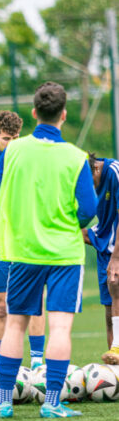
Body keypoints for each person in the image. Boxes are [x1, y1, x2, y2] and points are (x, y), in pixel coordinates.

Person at [0, 82, 97, 419]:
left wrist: (24, 219)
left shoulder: (13, 151)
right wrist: (66, 222)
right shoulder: (76, 157)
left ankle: (4, 402)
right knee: (59, 327)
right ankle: (52, 404)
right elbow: (89, 210)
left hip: (23, 251)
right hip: (65, 255)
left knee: (15, 324)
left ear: (34, 113)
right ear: (64, 115)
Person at [0, 110, 46, 369]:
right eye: (6, 139)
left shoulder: (31, 164)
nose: (11, 144)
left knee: (35, 304)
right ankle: (6, 368)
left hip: (28, 247)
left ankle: (37, 364)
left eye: (15, 139)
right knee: (1, 306)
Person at [83, 153, 119, 363]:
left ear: (96, 169)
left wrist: (116, 259)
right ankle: (115, 369)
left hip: (116, 250)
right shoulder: (85, 181)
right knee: (109, 311)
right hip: (105, 247)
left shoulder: (114, 172)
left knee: (117, 294)